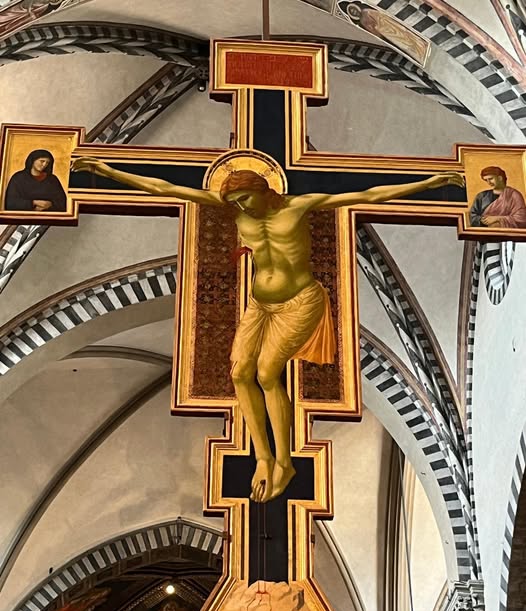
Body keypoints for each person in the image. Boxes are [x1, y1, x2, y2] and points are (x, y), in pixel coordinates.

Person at [72, 155, 463, 503]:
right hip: (260, 304)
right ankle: (264, 457)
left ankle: (285, 462)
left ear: (264, 189)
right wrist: (106, 170)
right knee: (239, 373)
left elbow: (369, 194)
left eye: (245, 198)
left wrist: (430, 183)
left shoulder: (298, 207)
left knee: (266, 373)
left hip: (301, 301)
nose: (241, 207)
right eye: (236, 202)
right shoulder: (239, 214)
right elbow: (166, 188)